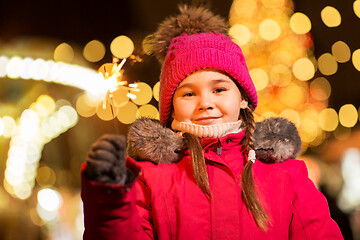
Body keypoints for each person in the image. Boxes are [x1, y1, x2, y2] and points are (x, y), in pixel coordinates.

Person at [81, 5, 343, 240]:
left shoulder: (286, 174)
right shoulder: (149, 178)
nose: (205, 102)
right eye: (188, 93)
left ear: (242, 99)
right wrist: (109, 200)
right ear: (171, 107)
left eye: (219, 90)